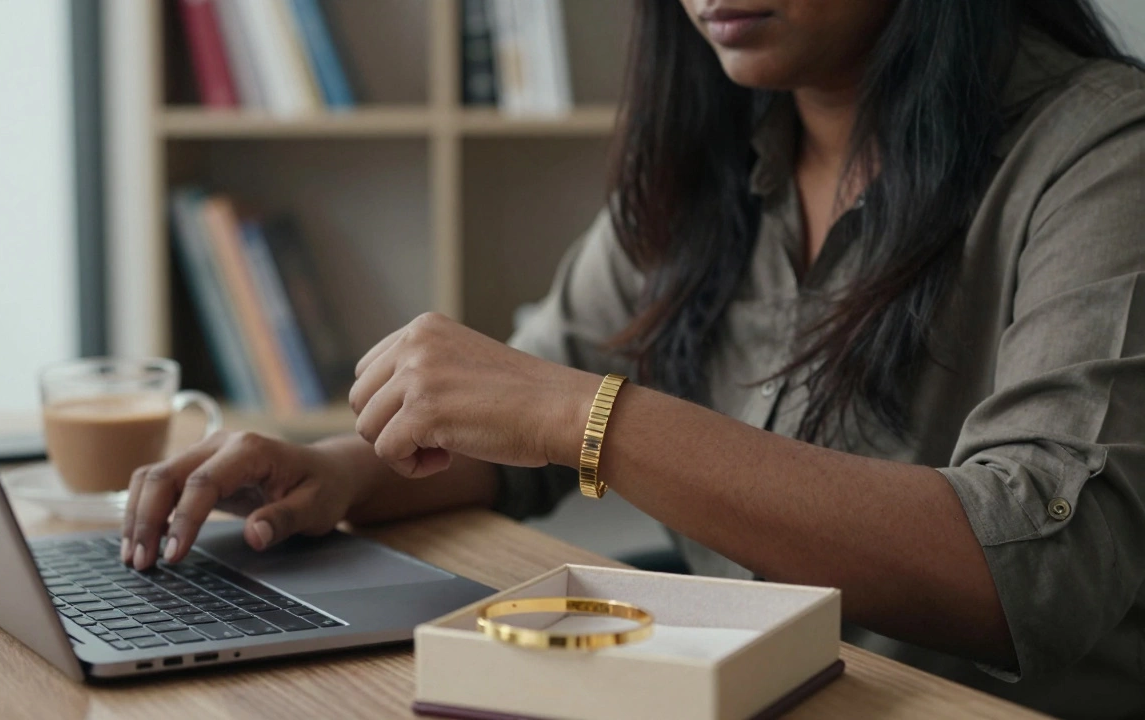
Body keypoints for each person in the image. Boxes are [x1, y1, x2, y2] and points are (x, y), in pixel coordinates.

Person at [121, 1, 1145, 715]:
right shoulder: (707, 157)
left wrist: (585, 419)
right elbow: (513, 423)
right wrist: (334, 471)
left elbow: (1037, 570)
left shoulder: (1100, 150)